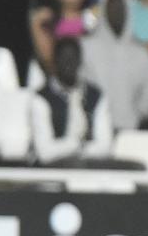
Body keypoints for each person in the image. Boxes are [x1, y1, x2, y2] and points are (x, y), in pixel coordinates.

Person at [82, 0, 148, 133]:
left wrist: (137, 115)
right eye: (111, 8)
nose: (116, 13)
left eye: (120, 8)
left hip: (131, 129)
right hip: (94, 130)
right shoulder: (86, 49)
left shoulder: (141, 53)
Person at [29, 37, 115, 166]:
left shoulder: (95, 97)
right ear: (55, 62)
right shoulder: (41, 99)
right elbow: (45, 152)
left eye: (73, 59)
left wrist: (79, 151)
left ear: (80, 61)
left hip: (89, 169)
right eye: (64, 59)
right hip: (51, 173)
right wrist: (75, 145)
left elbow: (105, 146)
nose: (69, 64)